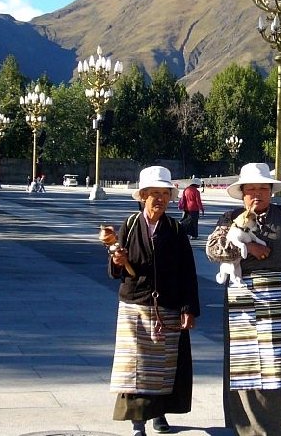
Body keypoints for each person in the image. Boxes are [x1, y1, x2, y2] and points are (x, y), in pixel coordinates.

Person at [206, 162, 281, 436]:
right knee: (248, 366)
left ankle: (273, 419)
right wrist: (245, 247)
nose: (258, 194)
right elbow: (213, 250)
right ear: (242, 193)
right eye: (251, 189)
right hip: (245, 305)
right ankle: (254, 426)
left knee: (280, 364)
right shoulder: (230, 218)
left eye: (263, 188)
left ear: (271, 191)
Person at [108, 166, 200, 436]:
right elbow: (117, 268)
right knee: (136, 366)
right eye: (153, 194)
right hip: (135, 305)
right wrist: (117, 261)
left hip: (167, 305)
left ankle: (160, 413)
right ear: (143, 196)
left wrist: (188, 308)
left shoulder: (174, 228)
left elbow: (187, 271)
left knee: (164, 366)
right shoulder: (130, 224)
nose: (158, 199)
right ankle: (138, 422)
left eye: (164, 193)